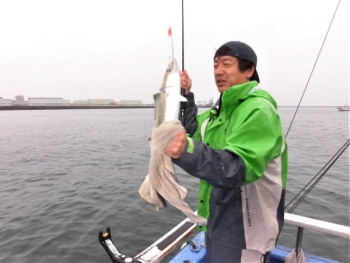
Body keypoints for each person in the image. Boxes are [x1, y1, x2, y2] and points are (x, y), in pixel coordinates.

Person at [165, 41, 288, 263]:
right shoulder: (218, 113)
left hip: (246, 233)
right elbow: (193, 131)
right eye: (215, 65)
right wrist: (187, 95)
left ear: (249, 70)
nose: (218, 71)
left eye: (227, 64)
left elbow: (237, 167)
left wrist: (184, 149)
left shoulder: (259, 110)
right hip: (217, 221)